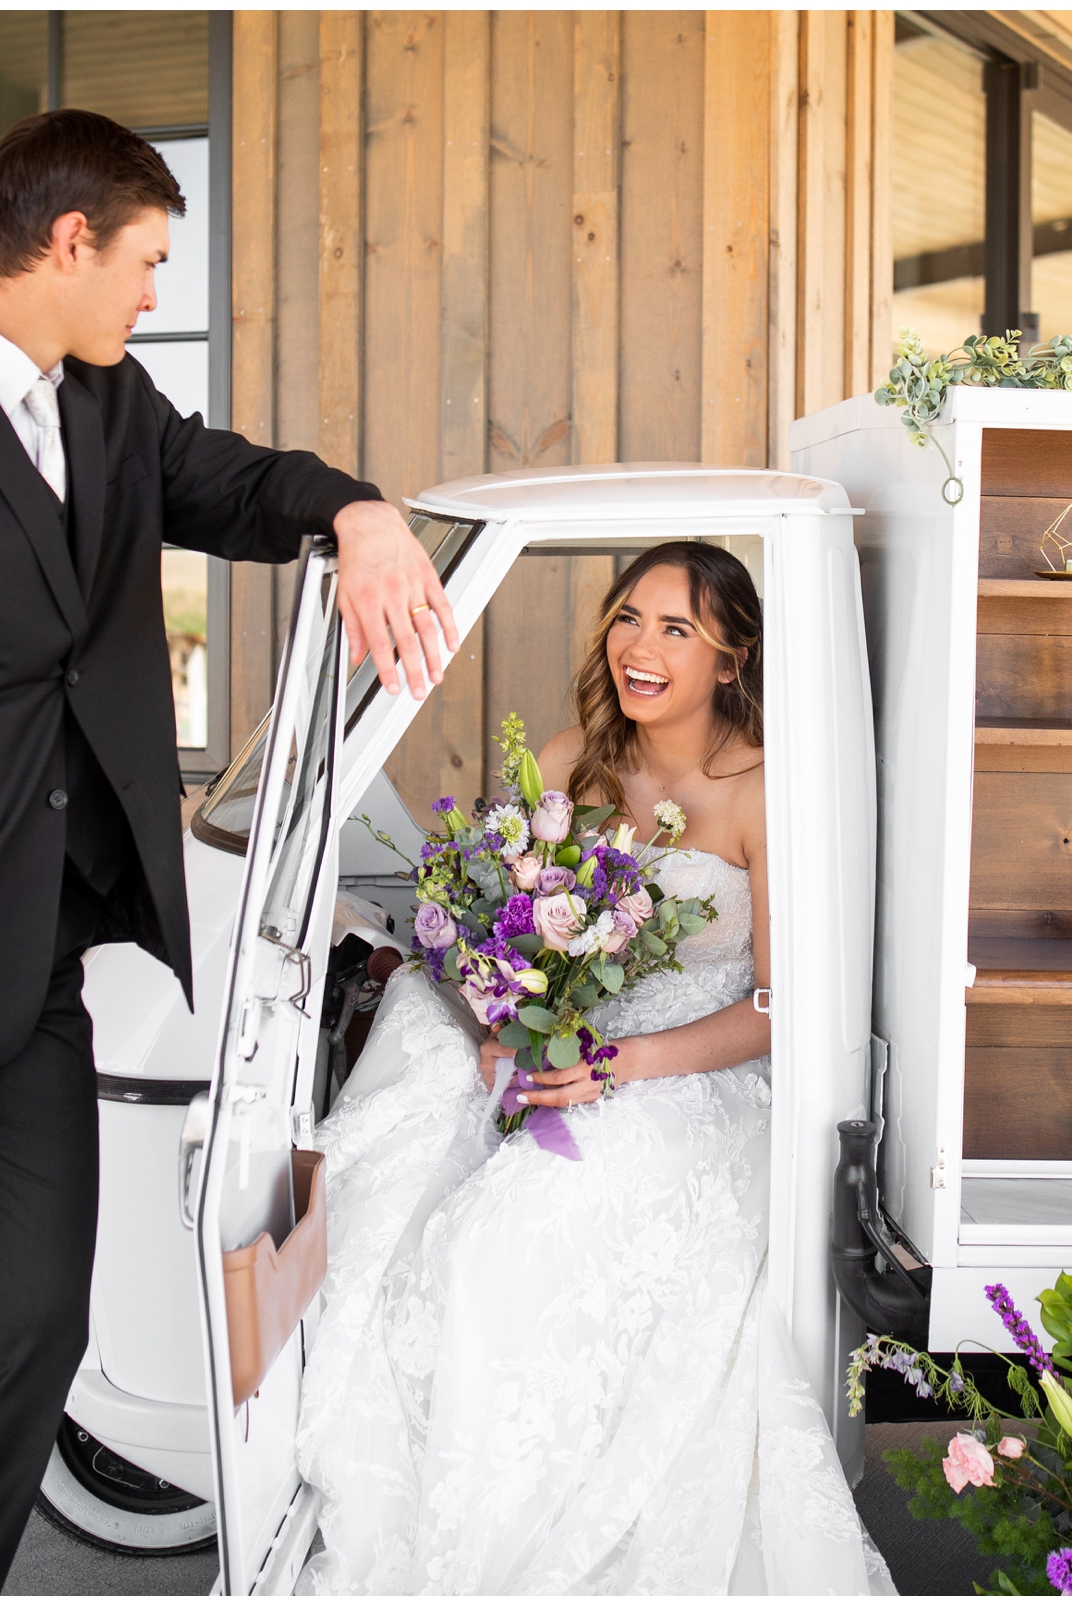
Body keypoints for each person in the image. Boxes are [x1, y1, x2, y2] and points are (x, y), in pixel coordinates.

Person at [0, 108, 457, 1595]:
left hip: (35, 952)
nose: (153, 296)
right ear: (65, 245)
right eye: (146, 262)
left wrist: (358, 514)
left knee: (38, 1318)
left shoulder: (110, 406)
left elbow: (237, 487)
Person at [294, 542, 892, 1594]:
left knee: (499, 1244)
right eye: (627, 618)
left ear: (732, 656)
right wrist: (499, 1014)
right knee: (418, 1151)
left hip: (687, 1075)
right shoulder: (572, 758)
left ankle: (521, 1531)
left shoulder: (766, 787)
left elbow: (782, 1006)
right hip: (561, 1052)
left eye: (677, 629)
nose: (640, 647)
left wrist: (621, 1064)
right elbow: (481, 925)